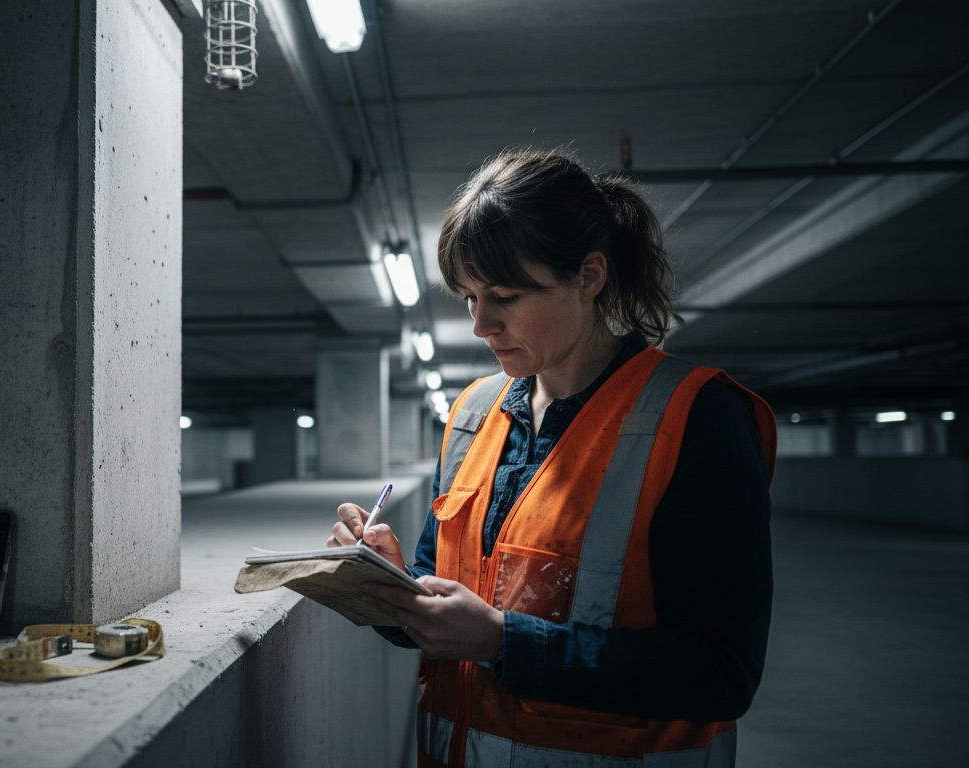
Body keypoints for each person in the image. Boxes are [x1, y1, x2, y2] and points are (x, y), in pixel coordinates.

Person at [327, 149, 776, 767]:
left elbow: (721, 673)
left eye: (504, 295)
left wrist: (504, 641)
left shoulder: (694, 416)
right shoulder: (474, 415)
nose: (482, 324)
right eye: (468, 297)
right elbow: (441, 610)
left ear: (589, 277)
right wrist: (390, 586)